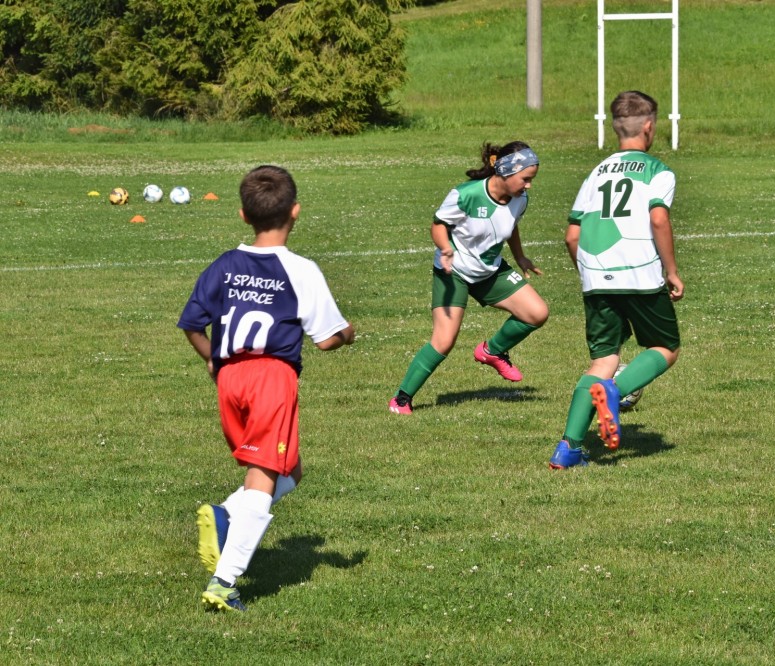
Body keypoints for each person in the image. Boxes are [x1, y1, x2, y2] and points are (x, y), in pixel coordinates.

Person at [177, 165, 356, 611]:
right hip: (271, 377)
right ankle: (225, 580)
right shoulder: (301, 270)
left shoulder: (224, 264)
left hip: (230, 377)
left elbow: (192, 323)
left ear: (243, 215)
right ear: (295, 211)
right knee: (263, 476)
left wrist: (214, 361)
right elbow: (327, 339)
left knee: (290, 469)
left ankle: (226, 515)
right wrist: (348, 334)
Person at [549, 91, 684, 469]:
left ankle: (568, 449)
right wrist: (671, 271)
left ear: (615, 128)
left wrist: (589, 274)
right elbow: (658, 218)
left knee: (603, 359)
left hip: (595, 274)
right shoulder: (658, 171)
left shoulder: (595, 173)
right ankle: (614, 392)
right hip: (639, 271)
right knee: (665, 346)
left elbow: (572, 236)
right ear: (649, 126)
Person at [388, 141, 548, 414]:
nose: (529, 185)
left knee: (537, 313)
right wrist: (445, 248)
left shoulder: (520, 200)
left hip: (490, 271)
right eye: (525, 179)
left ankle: (492, 351)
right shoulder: (467, 194)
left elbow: (511, 226)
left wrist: (520, 257)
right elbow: (438, 226)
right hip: (454, 271)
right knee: (444, 340)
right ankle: (401, 399)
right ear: (506, 171)